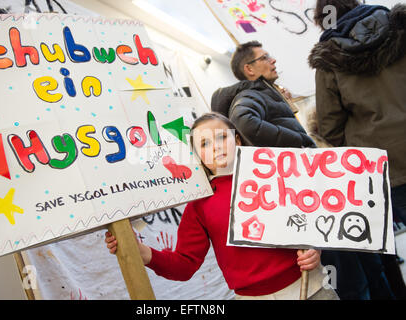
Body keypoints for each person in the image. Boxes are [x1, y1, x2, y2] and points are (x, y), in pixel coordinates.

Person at [105, 112, 339, 300]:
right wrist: (143, 253)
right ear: (198, 155)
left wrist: (315, 248)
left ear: (237, 139)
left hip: (312, 288)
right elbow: (185, 265)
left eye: (222, 137)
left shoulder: (276, 175)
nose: (216, 146)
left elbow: (314, 221)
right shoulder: (199, 204)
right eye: (205, 143)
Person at [309, 0, 406, 299]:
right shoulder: (400, 26)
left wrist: (359, 146)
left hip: (387, 167)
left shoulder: (328, 60)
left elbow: (328, 127)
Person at [211, 40, 315, 148]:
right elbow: (245, 123)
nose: (273, 60)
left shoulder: (261, 94)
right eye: (265, 57)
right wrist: (298, 141)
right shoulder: (250, 95)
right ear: (249, 69)